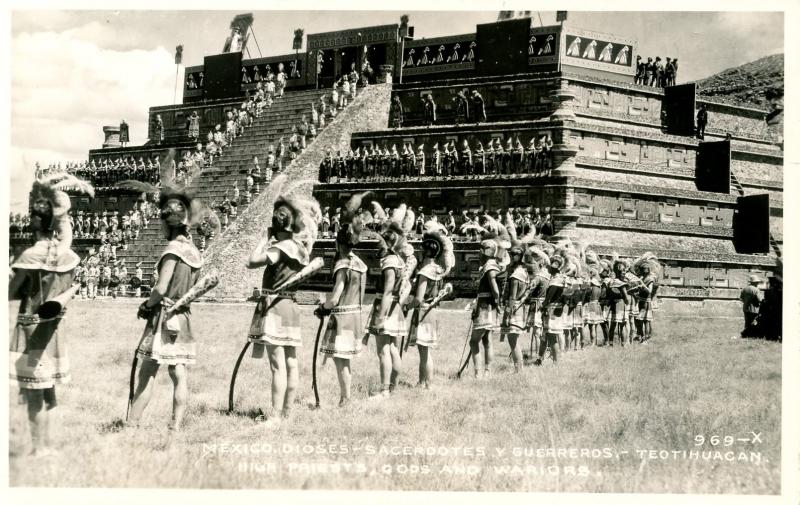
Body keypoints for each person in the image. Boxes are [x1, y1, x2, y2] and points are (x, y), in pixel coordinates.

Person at [9, 173, 93, 456]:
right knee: (48, 391)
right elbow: (66, 233)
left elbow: (12, 292)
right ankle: (50, 445)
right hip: (54, 332)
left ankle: (39, 448)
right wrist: (62, 211)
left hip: (31, 333)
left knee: (34, 393)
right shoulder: (67, 253)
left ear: (36, 221)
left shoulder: (31, 255)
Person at [127, 184, 215, 432]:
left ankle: (131, 424)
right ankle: (175, 426)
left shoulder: (172, 250)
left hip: (163, 317)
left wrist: (147, 305)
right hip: (183, 317)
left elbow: (161, 288)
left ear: (170, 224)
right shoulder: (195, 253)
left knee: (147, 374)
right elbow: (192, 288)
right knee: (179, 374)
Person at [244, 177, 320, 427]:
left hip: (275, 307)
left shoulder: (281, 248)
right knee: (291, 362)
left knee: (277, 366)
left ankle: (275, 416)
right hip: (291, 308)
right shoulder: (300, 249)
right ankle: (287, 412)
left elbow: (252, 261)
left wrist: (265, 239)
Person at [317, 193, 370, 406]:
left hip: (342, 318)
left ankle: (345, 399)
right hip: (355, 316)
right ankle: (345, 397)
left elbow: (336, 295)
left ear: (339, 244)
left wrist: (324, 306)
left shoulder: (342, 264)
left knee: (340, 361)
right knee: (345, 359)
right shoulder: (360, 264)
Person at [365, 207, 413, 398]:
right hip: (395, 307)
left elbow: (387, 290)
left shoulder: (389, 261)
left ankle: (385, 390)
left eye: (380, 242)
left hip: (386, 307)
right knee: (393, 349)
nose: (377, 246)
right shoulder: (399, 260)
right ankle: (393, 387)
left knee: (384, 350)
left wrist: (379, 317)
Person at [406, 221, 454, 388]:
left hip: (423, 313)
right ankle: (422, 382)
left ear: (426, 251)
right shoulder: (437, 270)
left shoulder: (425, 271)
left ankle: (427, 384)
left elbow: (419, 298)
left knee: (424, 352)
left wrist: (407, 306)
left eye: (421, 249)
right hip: (430, 313)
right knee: (424, 351)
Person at [469, 239, 501, 378]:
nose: (479, 253)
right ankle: (487, 372)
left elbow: (496, 290)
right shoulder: (489, 265)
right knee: (487, 340)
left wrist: (497, 302)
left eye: (481, 250)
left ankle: (478, 373)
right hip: (488, 305)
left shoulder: (489, 267)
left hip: (485, 306)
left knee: (473, 341)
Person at [500, 241, 528, 373]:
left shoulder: (516, 276)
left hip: (513, 309)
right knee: (514, 340)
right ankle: (519, 368)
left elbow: (512, 297)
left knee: (513, 341)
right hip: (519, 308)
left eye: (512, 255)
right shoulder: (524, 273)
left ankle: (519, 370)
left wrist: (506, 314)